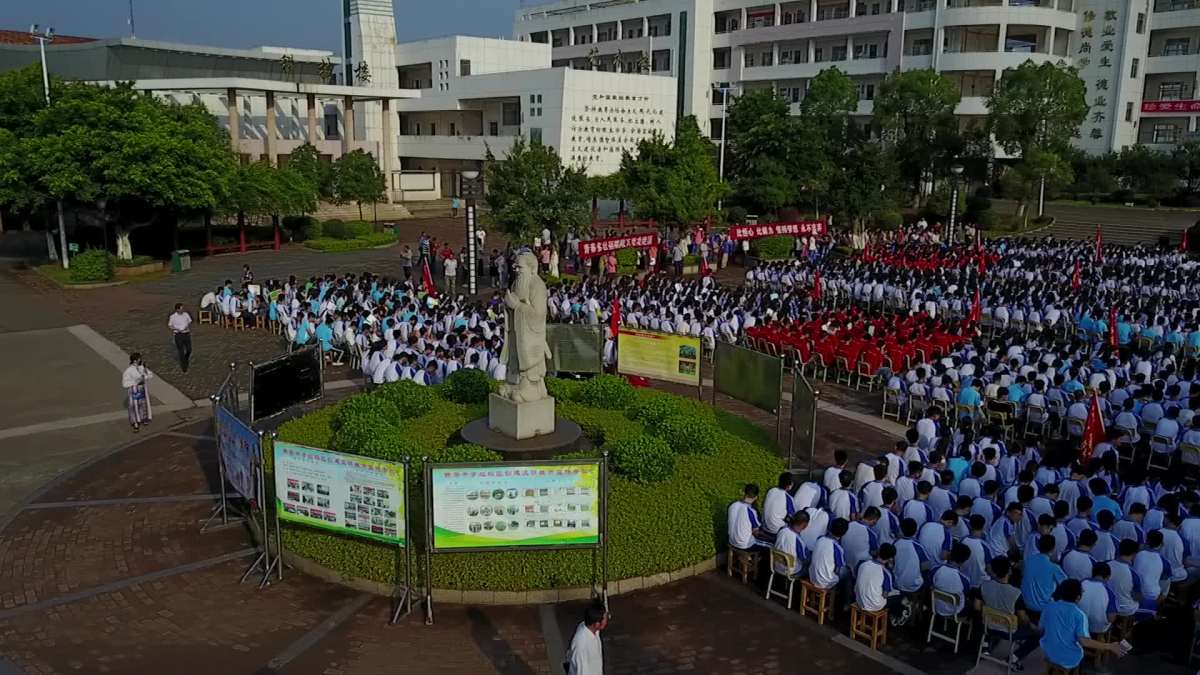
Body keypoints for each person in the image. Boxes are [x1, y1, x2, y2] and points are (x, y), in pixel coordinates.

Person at [1038, 580, 1124, 671]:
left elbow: (1041, 629)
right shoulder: (1079, 615)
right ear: (1078, 597)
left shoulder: (1049, 606)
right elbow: (1084, 642)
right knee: (1081, 658)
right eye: (1082, 591)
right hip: (1068, 659)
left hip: (1046, 652)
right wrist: (1110, 646)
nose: (1083, 592)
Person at [566, 601, 607, 675]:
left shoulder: (591, 628)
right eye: (605, 618)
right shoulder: (581, 646)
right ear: (597, 624)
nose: (607, 619)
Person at [727, 484, 765, 552]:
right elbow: (755, 532)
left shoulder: (732, 505)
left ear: (744, 493)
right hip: (744, 545)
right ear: (756, 497)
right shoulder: (750, 510)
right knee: (771, 545)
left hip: (731, 541)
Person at [122, 352, 153, 432]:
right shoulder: (128, 371)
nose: (140, 360)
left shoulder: (141, 368)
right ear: (135, 360)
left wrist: (145, 370)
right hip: (134, 390)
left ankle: (143, 418)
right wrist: (135, 382)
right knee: (133, 406)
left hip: (142, 388)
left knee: (143, 404)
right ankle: (135, 422)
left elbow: (150, 375)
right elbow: (125, 384)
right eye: (139, 359)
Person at [168, 303, 193, 373]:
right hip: (178, 335)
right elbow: (170, 325)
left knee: (189, 349)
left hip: (186, 333)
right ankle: (184, 366)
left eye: (183, 308)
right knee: (181, 351)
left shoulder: (186, 314)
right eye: (181, 309)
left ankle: (186, 358)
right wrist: (176, 329)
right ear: (177, 309)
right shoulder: (173, 317)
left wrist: (187, 326)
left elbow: (190, 321)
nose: (182, 310)